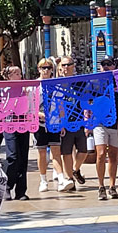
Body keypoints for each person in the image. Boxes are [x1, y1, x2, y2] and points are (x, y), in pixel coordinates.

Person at [93, 56, 118, 200]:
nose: (106, 67)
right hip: (100, 122)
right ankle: (100, 186)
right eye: (103, 64)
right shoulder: (96, 82)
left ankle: (112, 186)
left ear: (114, 66)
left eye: (109, 64)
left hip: (116, 122)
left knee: (113, 154)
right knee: (100, 154)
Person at [34, 56, 65, 193]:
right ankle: (43, 179)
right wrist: (38, 114)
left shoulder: (56, 84)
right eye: (43, 68)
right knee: (41, 152)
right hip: (40, 123)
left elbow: (61, 104)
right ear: (39, 69)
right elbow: (30, 105)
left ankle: (61, 177)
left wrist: (62, 122)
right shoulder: (34, 86)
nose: (46, 70)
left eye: (48, 68)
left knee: (56, 151)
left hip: (54, 122)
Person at [1, 65, 31, 201]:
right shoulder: (4, 89)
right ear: (9, 76)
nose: (20, 76)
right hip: (9, 123)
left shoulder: (25, 88)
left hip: (24, 123)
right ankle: (7, 186)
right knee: (12, 156)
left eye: (20, 73)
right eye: (16, 74)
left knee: (23, 157)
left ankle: (21, 191)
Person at [56, 56, 85, 191]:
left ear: (73, 66)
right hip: (65, 122)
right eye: (64, 65)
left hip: (79, 120)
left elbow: (86, 99)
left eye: (69, 65)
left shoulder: (79, 82)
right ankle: (69, 179)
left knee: (84, 150)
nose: (66, 67)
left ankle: (75, 169)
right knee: (66, 152)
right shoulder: (57, 83)